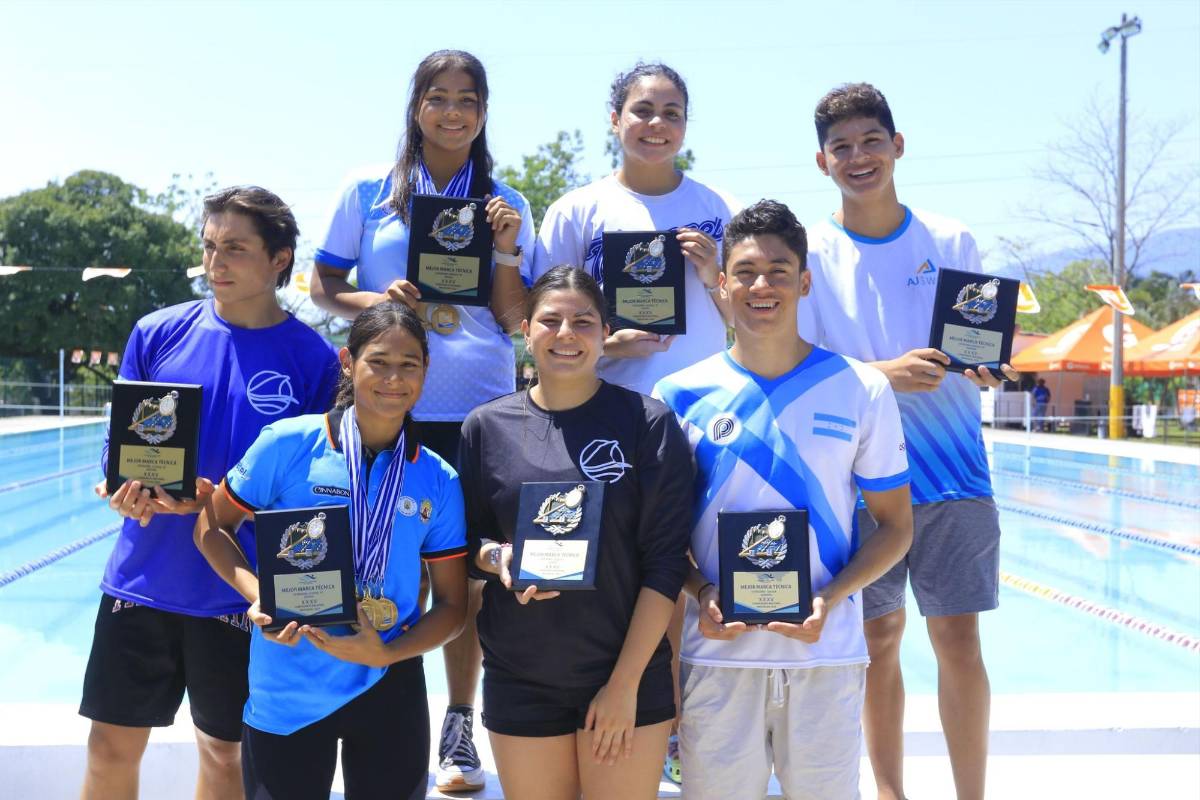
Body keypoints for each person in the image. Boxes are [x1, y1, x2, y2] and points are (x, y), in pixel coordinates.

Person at [309, 49, 534, 792]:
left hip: (475, 406)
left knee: (464, 576)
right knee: (367, 550)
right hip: (386, 402)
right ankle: (363, 697)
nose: (452, 111)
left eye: (467, 98)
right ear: (415, 107)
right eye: (437, 97)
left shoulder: (506, 202)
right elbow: (323, 284)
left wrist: (505, 250)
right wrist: (379, 304)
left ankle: (459, 725)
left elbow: (515, 319)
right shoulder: (368, 192)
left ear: (483, 111)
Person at [797, 83, 1019, 800]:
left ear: (898, 146)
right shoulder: (812, 253)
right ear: (822, 161)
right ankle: (890, 793)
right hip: (861, 480)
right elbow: (799, 365)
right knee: (878, 641)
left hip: (955, 469)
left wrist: (986, 367)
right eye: (842, 147)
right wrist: (882, 374)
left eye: (870, 142)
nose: (858, 157)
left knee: (958, 641)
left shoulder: (952, 240)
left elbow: (973, 343)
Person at [81, 187, 340, 800]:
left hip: (234, 590)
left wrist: (216, 504)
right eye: (209, 246)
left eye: (235, 249)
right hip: (144, 579)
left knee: (225, 755)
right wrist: (119, 488)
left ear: (280, 260)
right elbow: (118, 451)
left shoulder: (314, 361)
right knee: (110, 746)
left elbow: (311, 489)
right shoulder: (158, 332)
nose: (215, 262)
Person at [655, 200, 913, 799]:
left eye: (777, 270)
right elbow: (660, 538)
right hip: (716, 658)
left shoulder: (860, 389)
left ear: (803, 281)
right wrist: (704, 592)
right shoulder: (680, 395)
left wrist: (829, 597)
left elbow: (896, 527)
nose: (760, 284)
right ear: (721, 283)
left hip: (825, 656)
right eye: (744, 271)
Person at [533, 62, 738, 781]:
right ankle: (623, 716)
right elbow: (544, 312)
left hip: (703, 416)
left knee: (693, 577)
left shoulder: (719, 208)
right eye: (642, 110)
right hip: (608, 414)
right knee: (625, 576)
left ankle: (681, 733)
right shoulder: (578, 210)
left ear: (686, 124)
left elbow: (755, 314)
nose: (656, 123)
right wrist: (606, 344)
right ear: (615, 120)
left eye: (672, 111)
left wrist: (715, 276)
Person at [194, 301, 469, 800]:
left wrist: (385, 651)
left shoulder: (437, 477)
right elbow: (211, 528)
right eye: (378, 362)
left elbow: (453, 607)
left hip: (389, 681)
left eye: (409, 365)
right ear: (348, 363)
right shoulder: (289, 444)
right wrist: (260, 595)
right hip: (290, 681)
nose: (393, 378)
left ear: (426, 372)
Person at [461, 266, 693, 800]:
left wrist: (623, 685)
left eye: (583, 321)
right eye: (550, 321)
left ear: (604, 331)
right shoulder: (486, 427)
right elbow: (468, 542)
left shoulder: (647, 423)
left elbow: (665, 563)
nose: (566, 334)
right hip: (521, 675)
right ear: (526, 330)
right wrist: (499, 558)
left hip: (624, 674)